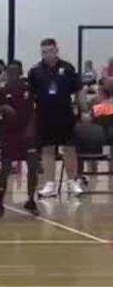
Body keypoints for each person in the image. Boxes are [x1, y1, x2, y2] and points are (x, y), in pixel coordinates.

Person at [30, 38, 83, 198]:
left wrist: (85, 110)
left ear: (56, 50)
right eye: (44, 52)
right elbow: (30, 94)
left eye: (50, 51)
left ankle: (72, 182)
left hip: (65, 114)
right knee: (47, 149)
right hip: (44, 114)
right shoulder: (35, 71)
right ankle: (49, 184)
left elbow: (78, 90)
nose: (47, 55)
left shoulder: (67, 68)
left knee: (69, 148)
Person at [0, 63, 39, 217]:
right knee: (4, 169)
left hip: (26, 134)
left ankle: (31, 200)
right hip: (9, 134)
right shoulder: (3, 91)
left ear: (20, 72)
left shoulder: (28, 90)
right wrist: (1, 113)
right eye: (10, 71)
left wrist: (31, 131)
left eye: (15, 71)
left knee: (32, 168)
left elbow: (33, 113)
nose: (13, 73)